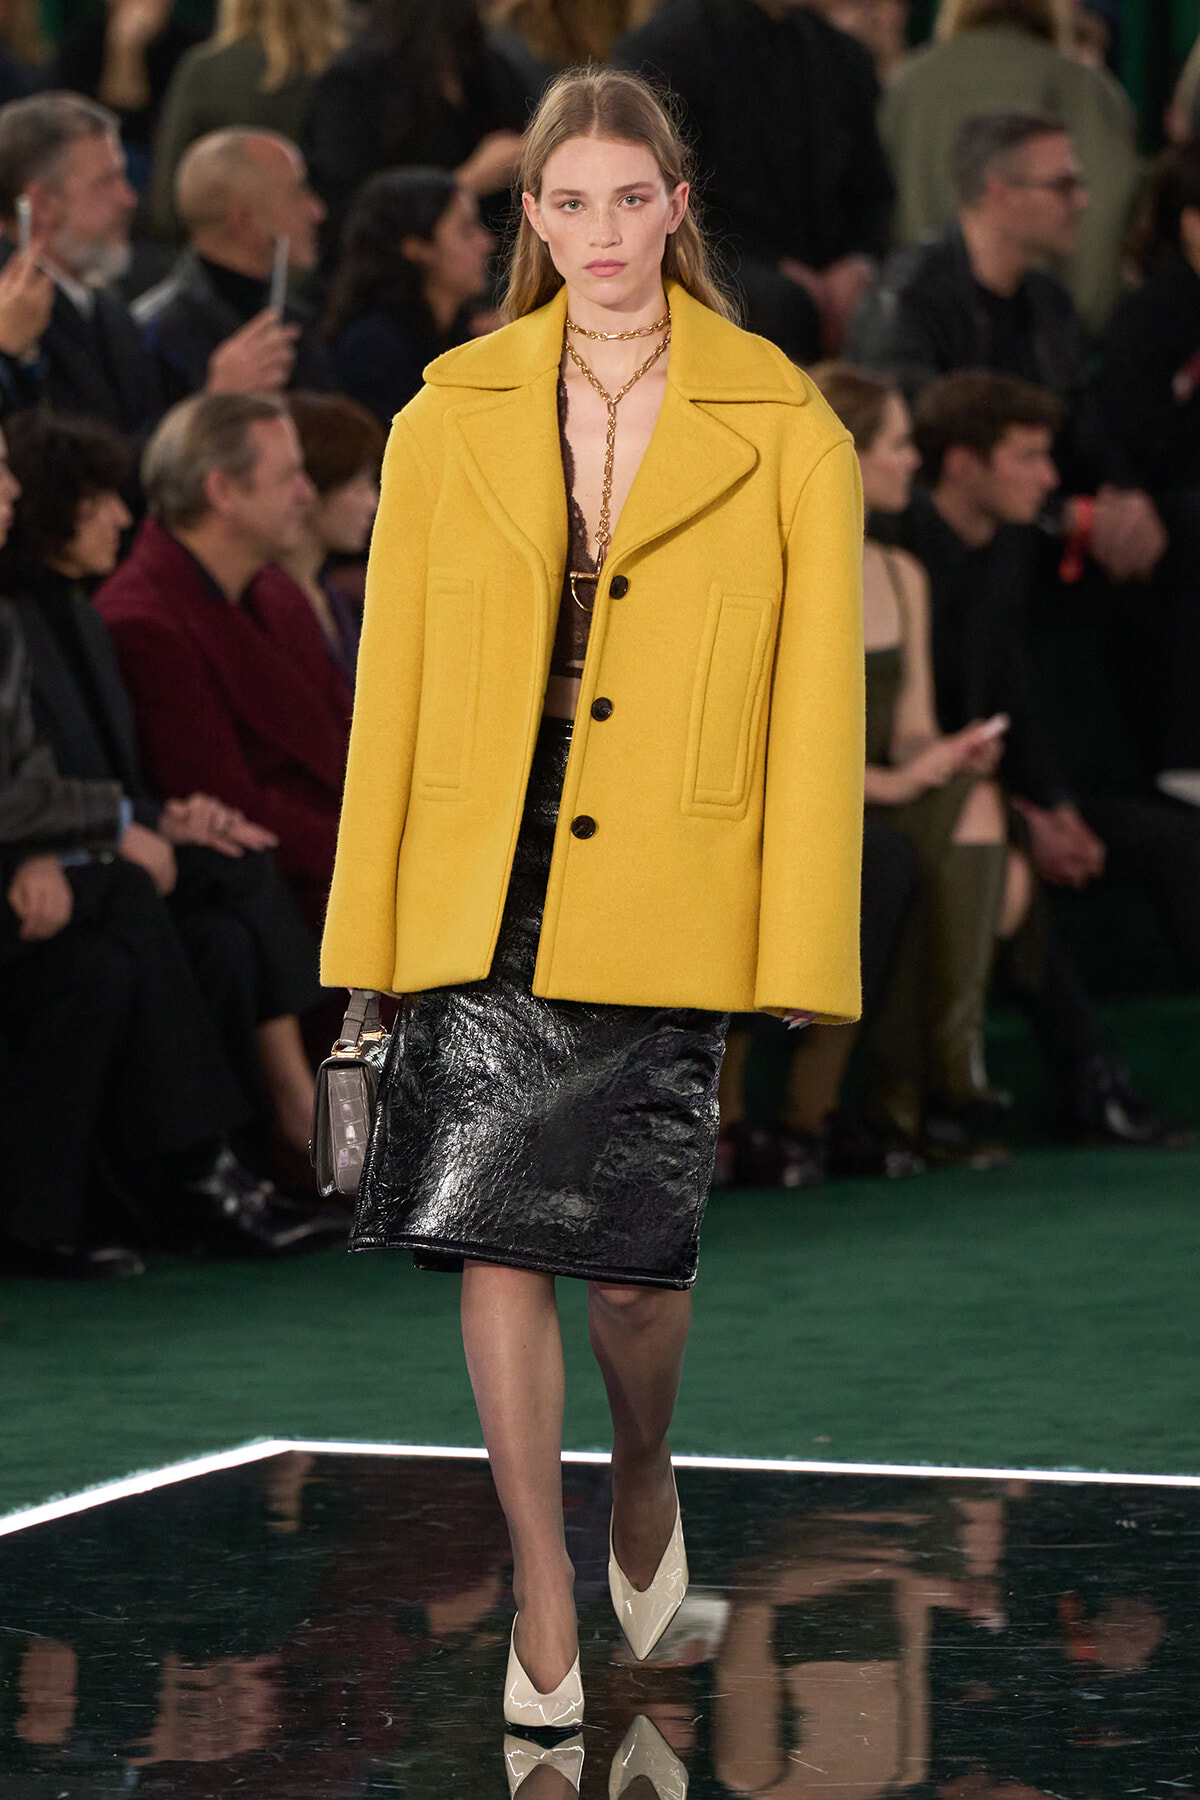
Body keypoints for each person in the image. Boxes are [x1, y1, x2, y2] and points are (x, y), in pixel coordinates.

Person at [320, 66, 864, 1724]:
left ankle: (642, 1464)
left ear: (678, 207)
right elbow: (394, 691)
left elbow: (815, 701)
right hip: (484, 850)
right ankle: (543, 1591)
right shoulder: (445, 414)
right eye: (573, 203)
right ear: (534, 218)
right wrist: (370, 939)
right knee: (493, 1234)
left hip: (672, 861)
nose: (605, 231)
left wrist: (801, 936)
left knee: (629, 1269)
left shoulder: (785, 420)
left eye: (633, 198)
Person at [0, 437, 342, 1275]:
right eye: (102, 497)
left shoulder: (70, 616)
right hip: (49, 864)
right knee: (128, 902)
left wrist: (161, 817)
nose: (124, 515)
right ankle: (220, 1161)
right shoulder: (97, 614)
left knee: (223, 885)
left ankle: (227, 1167)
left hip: (68, 852)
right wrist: (103, 827)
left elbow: (54, 778)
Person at [890, 368, 1199, 1147]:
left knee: (1172, 842)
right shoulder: (898, 553)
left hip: (1002, 784)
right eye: (1026, 457)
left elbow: (1014, 695)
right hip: (915, 787)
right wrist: (1030, 815)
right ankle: (1088, 1080)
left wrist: (1056, 805)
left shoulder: (1009, 548)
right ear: (962, 464)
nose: (1050, 477)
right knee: (1010, 859)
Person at [810, 361, 1031, 1164]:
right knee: (916, 859)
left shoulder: (903, 574)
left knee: (973, 799)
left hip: (882, 789)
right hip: (813, 797)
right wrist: (901, 779)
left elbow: (910, 729)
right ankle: (928, 1083)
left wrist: (943, 754)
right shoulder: (782, 567)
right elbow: (778, 747)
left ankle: (941, 1071)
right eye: (899, 445)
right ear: (847, 452)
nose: (914, 461)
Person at [848, 110, 1166, 590]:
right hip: (942, 549)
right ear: (1000, 193)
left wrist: (1123, 497)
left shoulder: (1049, 301)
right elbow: (918, 448)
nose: (1081, 201)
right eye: (1063, 186)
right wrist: (1060, 514)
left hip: (1034, 530)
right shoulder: (907, 300)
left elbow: (1085, 425)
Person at [95, 392, 351, 936]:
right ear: (223, 491)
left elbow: (353, 733)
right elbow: (232, 807)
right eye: (288, 476)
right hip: (292, 897)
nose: (307, 494)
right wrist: (375, 860)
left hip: (341, 863)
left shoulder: (277, 592)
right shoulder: (143, 624)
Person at [0, 93, 304, 439]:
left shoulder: (109, 307)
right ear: (42, 204)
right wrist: (212, 400)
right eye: (106, 182)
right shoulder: (12, 314)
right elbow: (66, 456)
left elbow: (140, 426)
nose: (129, 198)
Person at [613, 0, 894, 361]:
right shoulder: (666, 50)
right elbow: (651, 198)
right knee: (778, 306)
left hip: (834, 281)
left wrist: (857, 263)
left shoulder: (840, 55)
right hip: (719, 269)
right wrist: (770, 263)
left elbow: (873, 191)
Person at [880, 0, 1139, 333]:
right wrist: (1079, 325)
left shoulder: (906, 85)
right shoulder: (1086, 89)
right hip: (1050, 338)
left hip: (918, 326)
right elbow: (1106, 215)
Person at [1095, 139, 1200, 796]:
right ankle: (1184, 758)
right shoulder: (1153, 314)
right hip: (1160, 505)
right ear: (1190, 223)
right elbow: (1129, 433)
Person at [305, 0, 535, 274]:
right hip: (398, 280)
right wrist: (467, 182)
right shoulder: (355, 84)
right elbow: (349, 217)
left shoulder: (489, 67)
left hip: (496, 270)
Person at [133, 128, 334, 397]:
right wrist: (217, 397)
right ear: (243, 222)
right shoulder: (156, 335)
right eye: (297, 193)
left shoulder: (296, 323)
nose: (317, 211)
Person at [150, 0, 348, 241]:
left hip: (225, 246)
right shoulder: (353, 71)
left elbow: (169, 201)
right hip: (323, 247)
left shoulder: (207, 70)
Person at [324, 168, 495, 426]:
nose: (486, 242)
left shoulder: (467, 334)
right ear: (418, 250)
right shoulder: (373, 350)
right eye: (466, 230)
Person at [280, 391, 384, 689]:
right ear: (313, 484)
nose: (373, 503)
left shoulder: (331, 596)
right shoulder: (269, 603)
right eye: (359, 485)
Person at [51, 0, 203, 196]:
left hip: (171, 161)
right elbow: (112, 120)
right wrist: (125, 51)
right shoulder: (83, 42)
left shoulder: (193, 49)